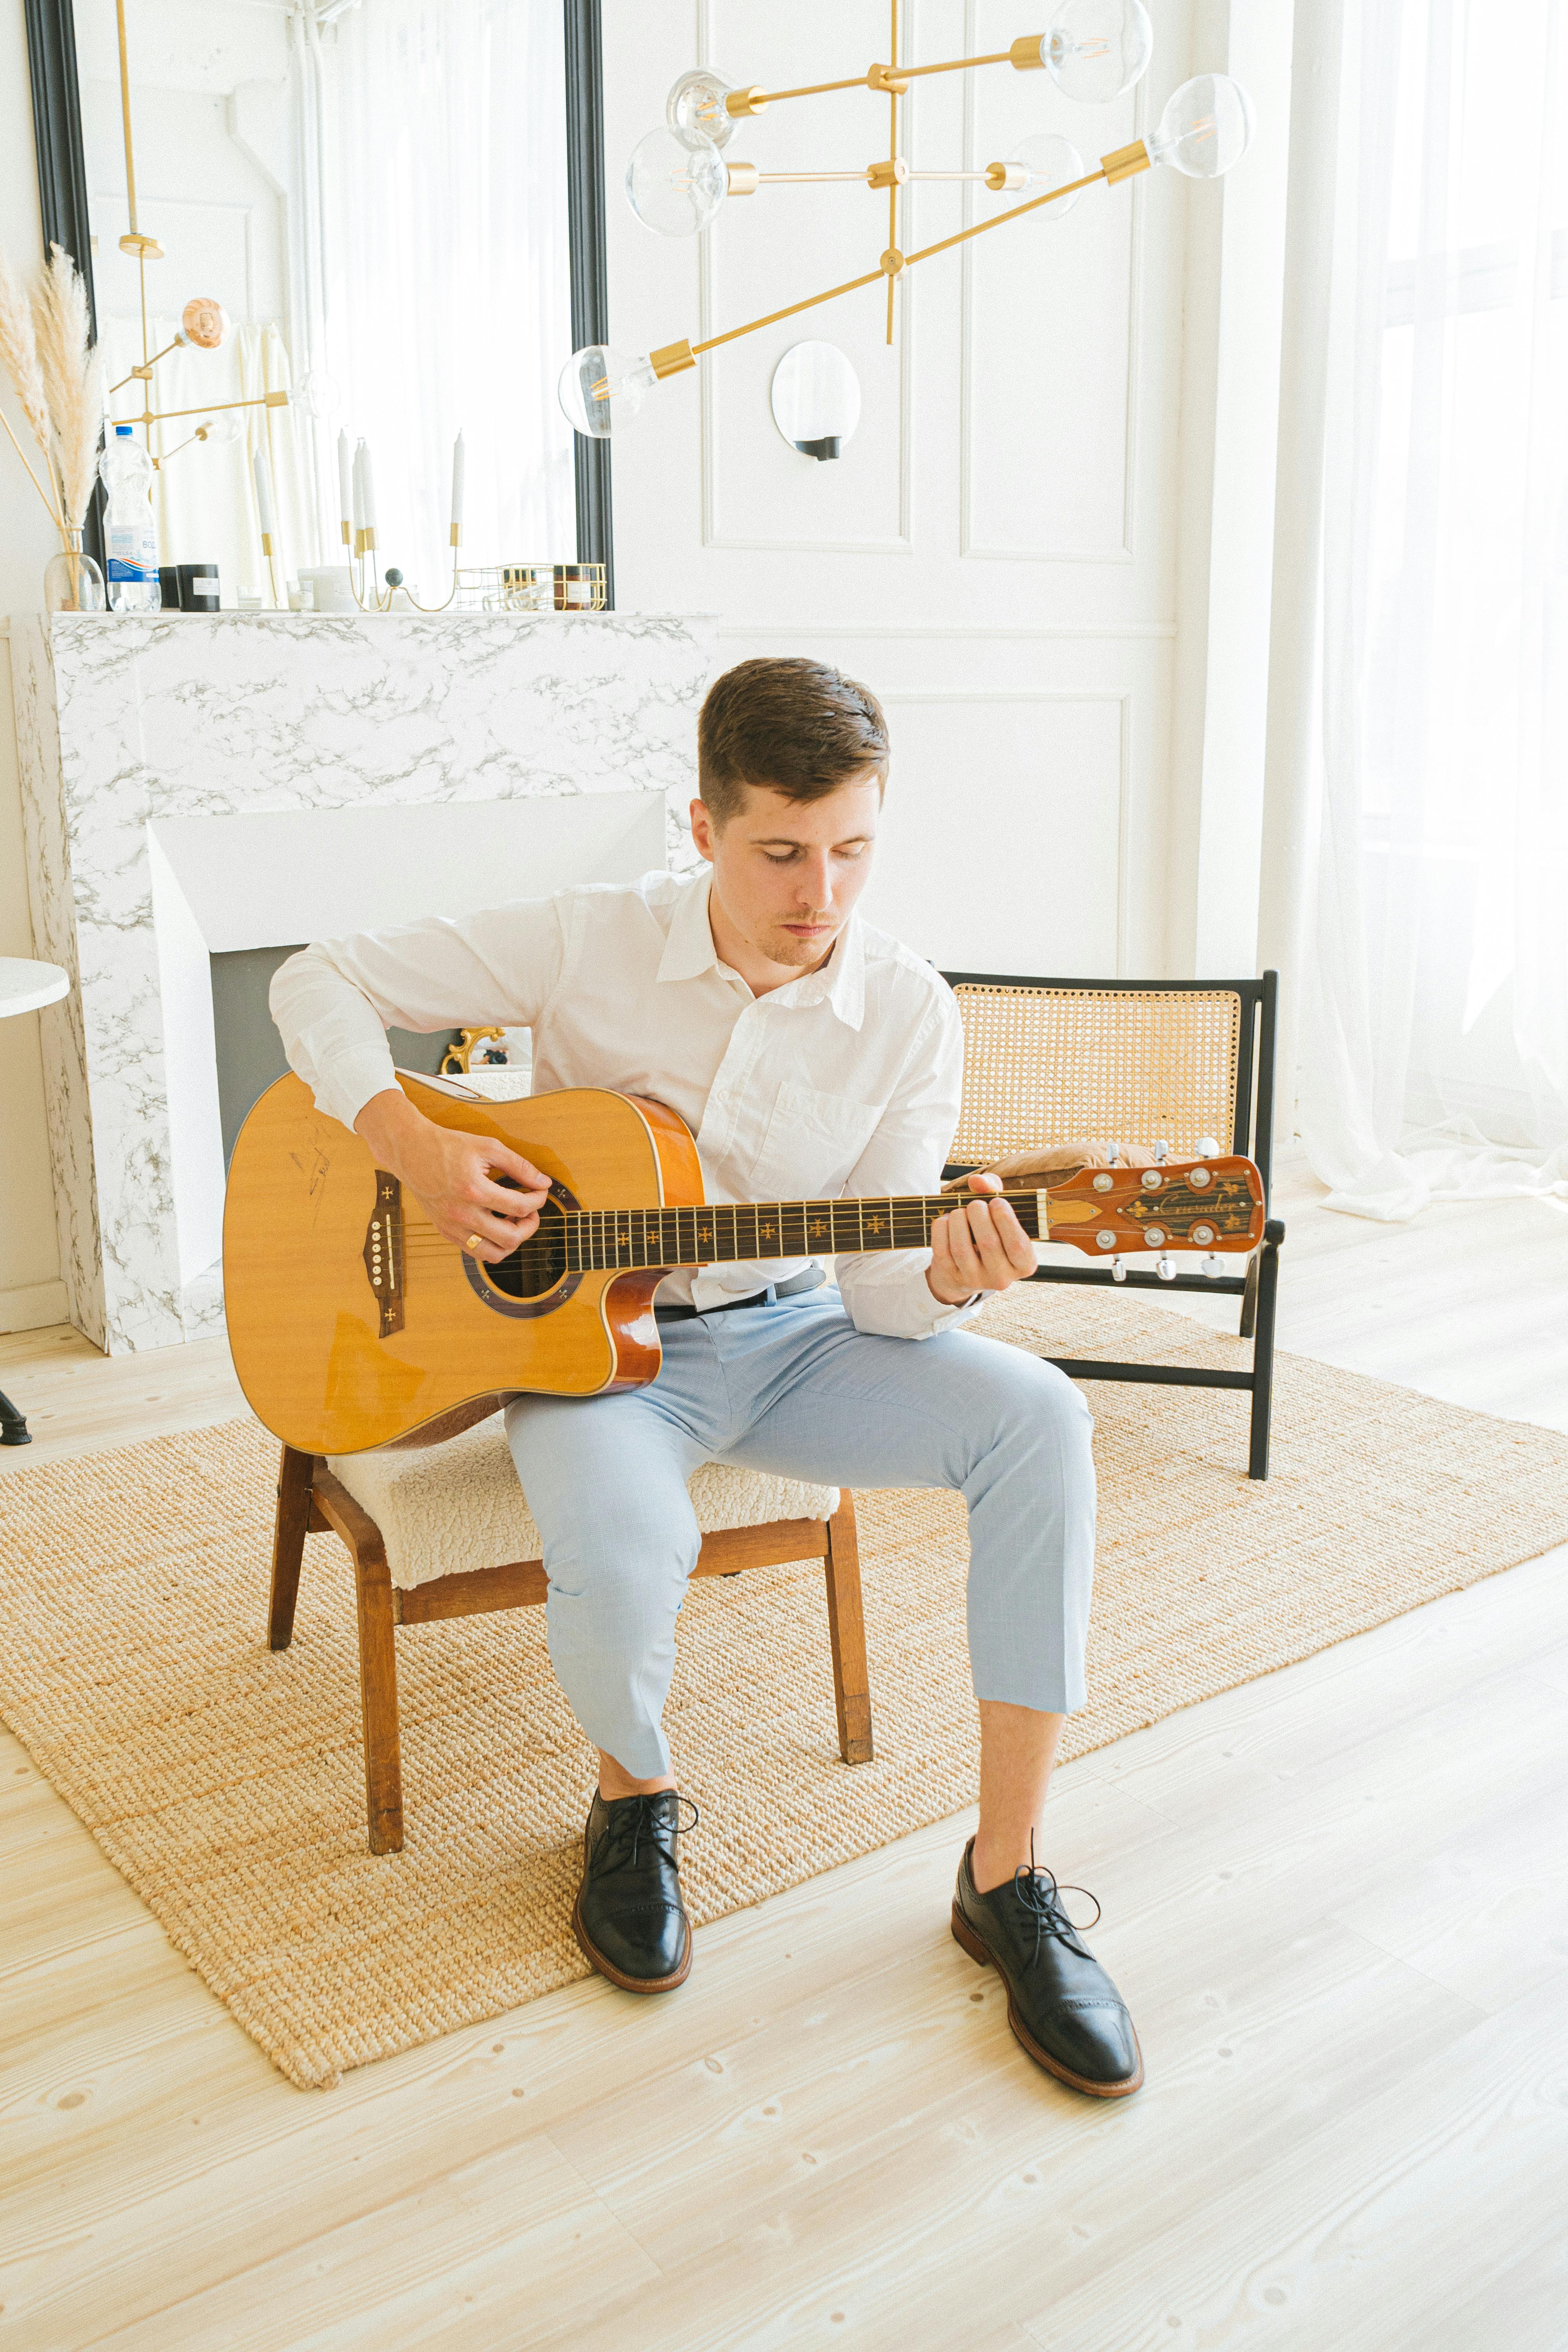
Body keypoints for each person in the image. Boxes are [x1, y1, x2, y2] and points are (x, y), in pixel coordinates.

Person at [270, 657, 1144, 2099]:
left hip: (798, 1337)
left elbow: (881, 1292)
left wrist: (953, 1273)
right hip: (593, 1357)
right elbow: (319, 975)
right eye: (782, 853)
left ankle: (1008, 1873)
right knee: (630, 1549)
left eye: (853, 850)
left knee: (1043, 1417)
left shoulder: (908, 1010)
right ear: (702, 827)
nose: (821, 894)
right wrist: (413, 1145)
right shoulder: (588, 937)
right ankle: (634, 1795)